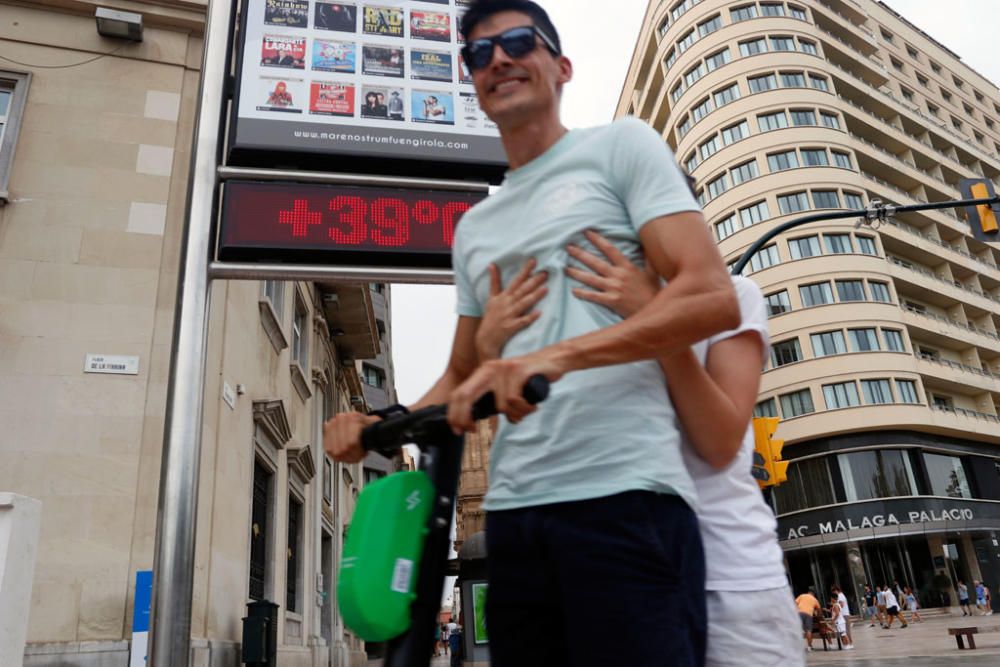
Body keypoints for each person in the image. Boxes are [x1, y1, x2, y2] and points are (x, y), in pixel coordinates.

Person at [323, 1, 740, 665]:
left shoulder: (620, 148)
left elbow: (711, 294)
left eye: (519, 41)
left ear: (561, 65)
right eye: (479, 54)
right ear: (472, 81)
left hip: (626, 501)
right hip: (516, 520)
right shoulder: (475, 229)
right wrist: (374, 424)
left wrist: (559, 353)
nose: (499, 59)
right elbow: (460, 378)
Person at [477, 233, 802, 666]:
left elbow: (721, 444)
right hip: (616, 573)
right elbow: (521, 444)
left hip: (728, 578)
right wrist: (494, 351)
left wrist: (653, 317)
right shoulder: (582, 311)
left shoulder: (730, 295)